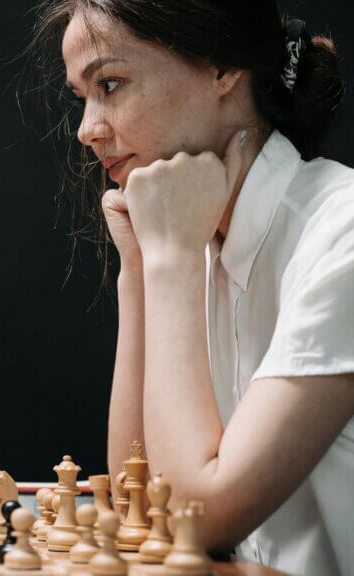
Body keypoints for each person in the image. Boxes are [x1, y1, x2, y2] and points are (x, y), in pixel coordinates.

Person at [27, 1, 354, 574]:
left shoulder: (341, 234)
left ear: (223, 67)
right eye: (82, 98)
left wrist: (170, 259)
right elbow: (139, 511)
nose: (86, 130)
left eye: (110, 84)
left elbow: (197, 521)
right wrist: (139, 268)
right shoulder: (190, 240)